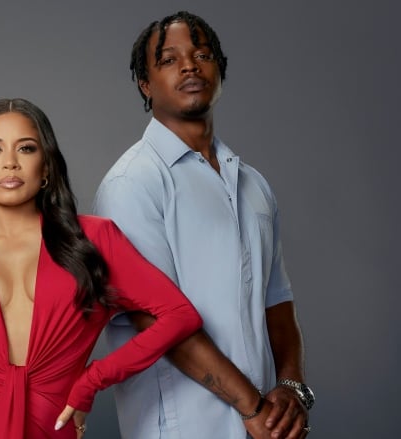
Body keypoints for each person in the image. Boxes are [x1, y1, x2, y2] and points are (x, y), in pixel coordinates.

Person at [0, 98, 202, 438]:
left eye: (26, 149)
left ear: (46, 168)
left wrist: (94, 379)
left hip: (48, 425)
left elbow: (180, 315)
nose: (10, 163)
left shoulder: (94, 241)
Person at [95, 10, 313, 439]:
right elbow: (156, 320)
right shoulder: (132, 184)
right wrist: (252, 408)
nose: (190, 65)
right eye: (169, 59)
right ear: (145, 83)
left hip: (266, 424)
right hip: (182, 426)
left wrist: (290, 389)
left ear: (220, 71)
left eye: (202, 54)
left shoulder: (252, 183)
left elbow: (277, 300)